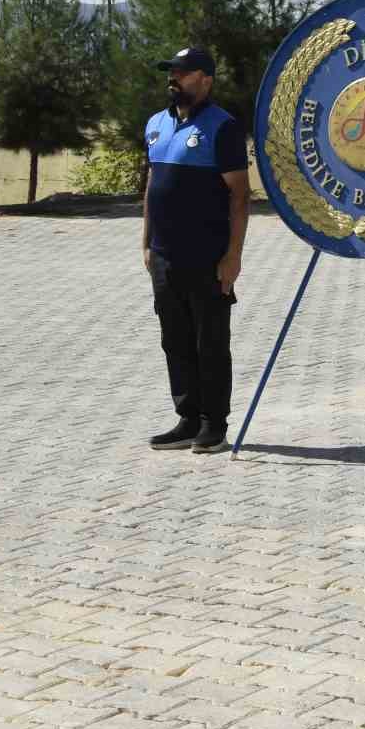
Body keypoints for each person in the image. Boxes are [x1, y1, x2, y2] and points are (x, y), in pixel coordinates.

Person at [144, 47, 251, 454]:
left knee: (210, 341)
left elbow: (240, 197)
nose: (174, 78)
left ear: (205, 78)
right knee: (175, 339)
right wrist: (146, 244)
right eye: (171, 71)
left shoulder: (222, 128)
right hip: (164, 256)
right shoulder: (156, 124)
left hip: (207, 256)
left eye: (183, 72)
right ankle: (187, 418)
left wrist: (233, 256)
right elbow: (152, 187)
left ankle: (213, 425)